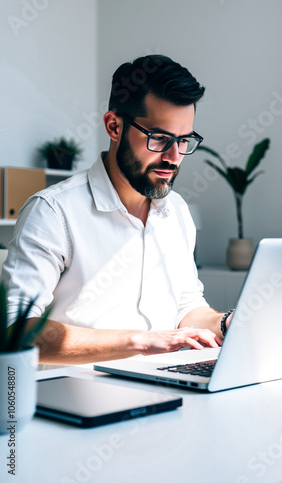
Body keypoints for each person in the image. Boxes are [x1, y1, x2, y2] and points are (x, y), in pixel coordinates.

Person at [2, 54, 233, 365]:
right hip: (75, 393)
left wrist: (225, 323)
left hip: (162, 384)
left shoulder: (176, 211)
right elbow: (15, 329)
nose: (174, 157)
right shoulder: (53, 212)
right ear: (114, 126)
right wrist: (139, 341)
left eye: (184, 140)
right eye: (159, 138)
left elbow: (186, 306)